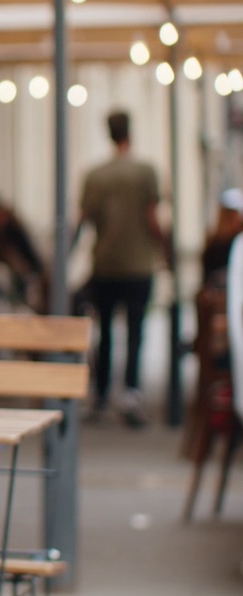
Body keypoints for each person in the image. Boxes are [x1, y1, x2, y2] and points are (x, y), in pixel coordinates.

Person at [78, 110, 166, 428]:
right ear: (131, 131)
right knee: (135, 331)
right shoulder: (145, 172)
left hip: (105, 262)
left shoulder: (96, 174)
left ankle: (101, 395)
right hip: (139, 264)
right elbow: (152, 218)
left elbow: (84, 219)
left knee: (104, 332)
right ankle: (130, 392)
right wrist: (165, 251)